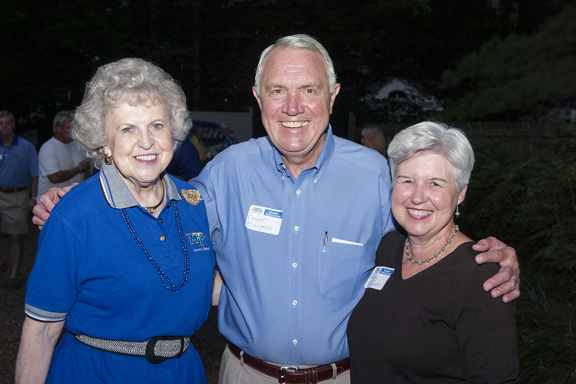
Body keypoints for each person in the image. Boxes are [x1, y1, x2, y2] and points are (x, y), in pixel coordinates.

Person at [33, 35, 520, 384]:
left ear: (331, 97)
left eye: (308, 90)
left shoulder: (375, 176)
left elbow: (428, 221)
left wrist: (488, 257)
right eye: (277, 91)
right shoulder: (226, 172)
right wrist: (74, 201)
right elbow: (156, 208)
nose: (292, 106)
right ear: (257, 98)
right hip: (245, 374)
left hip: (344, 378)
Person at [16, 58, 215, 384]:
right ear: (104, 143)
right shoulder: (72, 216)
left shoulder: (195, 203)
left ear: (174, 134)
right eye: (127, 129)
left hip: (183, 373)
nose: (147, 142)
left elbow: (213, 284)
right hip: (97, 373)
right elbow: (40, 334)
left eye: (157, 125)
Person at [347, 122, 518, 383]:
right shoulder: (388, 248)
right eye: (407, 181)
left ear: (460, 193)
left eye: (435, 184)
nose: (417, 197)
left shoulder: (482, 278)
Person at [0, 111, 38, 289]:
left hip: (17, 195)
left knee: (15, 236)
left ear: (13, 125)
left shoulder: (26, 147)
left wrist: (33, 197)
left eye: (7, 123)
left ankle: (13, 275)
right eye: (0, 123)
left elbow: (35, 174)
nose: (4, 126)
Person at [37, 110, 91, 201]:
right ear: (58, 128)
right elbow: (54, 177)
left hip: (74, 201)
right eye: (69, 128)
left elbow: (86, 170)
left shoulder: (77, 145)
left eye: (74, 127)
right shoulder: (48, 148)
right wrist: (79, 168)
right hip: (52, 203)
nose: (73, 131)